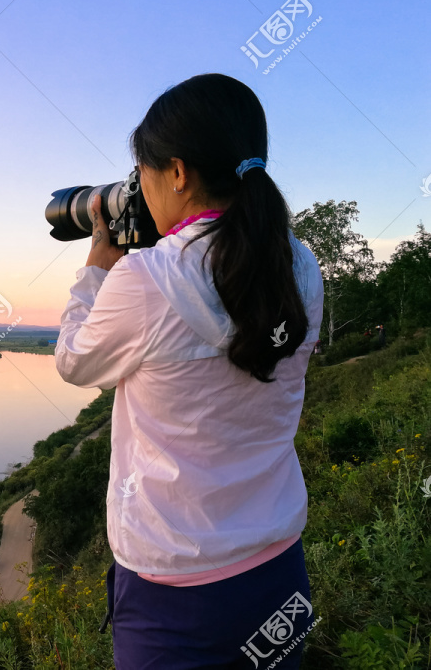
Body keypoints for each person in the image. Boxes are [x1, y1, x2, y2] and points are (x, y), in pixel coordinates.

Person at [55, 73, 323, 669]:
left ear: (177, 172)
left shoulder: (145, 279)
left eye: (143, 175)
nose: (141, 191)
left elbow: (74, 362)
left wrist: (97, 270)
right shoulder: (301, 267)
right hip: (278, 568)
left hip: (175, 592)